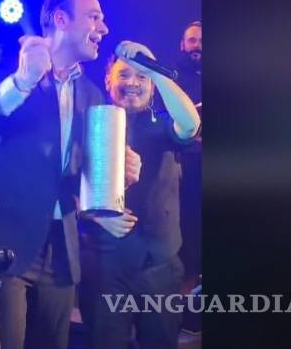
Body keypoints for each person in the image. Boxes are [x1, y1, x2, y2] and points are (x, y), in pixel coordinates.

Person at [0, 0, 141, 349]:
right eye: (94, 17)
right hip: (0, 238)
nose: (104, 28)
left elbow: (74, 174)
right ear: (61, 20)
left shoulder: (92, 94)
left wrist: (118, 173)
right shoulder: (6, 60)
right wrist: (21, 82)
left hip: (60, 246)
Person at [79, 40, 201, 349]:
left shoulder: (162, 124)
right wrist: (92, 212)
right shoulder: (89, 123)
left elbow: (190, 124)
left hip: (159, 264)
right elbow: (63, 184)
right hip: (105, 264)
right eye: (124, 74)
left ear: (152, 86)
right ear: (108, 80)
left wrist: (155, 70)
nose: (133, 82)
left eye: (142, 76)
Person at [174, 20, 202, 288]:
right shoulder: (172, 78)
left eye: (202, 41)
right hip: (186, 161)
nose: (197, 45)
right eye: (192, 40)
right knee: (188, 220)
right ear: (182, 45)